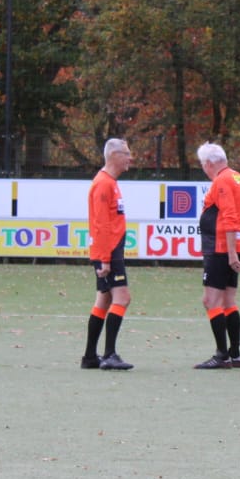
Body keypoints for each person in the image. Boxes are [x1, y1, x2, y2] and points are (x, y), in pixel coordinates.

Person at [193, 142, 240, 369]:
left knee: (211, 301)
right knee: (228, 301)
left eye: (202, 164)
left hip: (221, 248)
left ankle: (222, 355)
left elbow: (229, 215)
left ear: (208, 163)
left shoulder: (222, 180)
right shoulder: (238, 177)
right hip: (233, 245)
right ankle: (235, 354)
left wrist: (231, 253)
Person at [83, 138, 134, 371]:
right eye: (126, 154)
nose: (130, 158)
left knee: (104, 300)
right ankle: (109, 354)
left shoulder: (109, 182)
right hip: (109, 252)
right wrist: (104, 258)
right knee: (122, 298)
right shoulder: (103, 184)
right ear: (114, 155)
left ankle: (90, 357)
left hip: (110, 250)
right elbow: (101, 224)